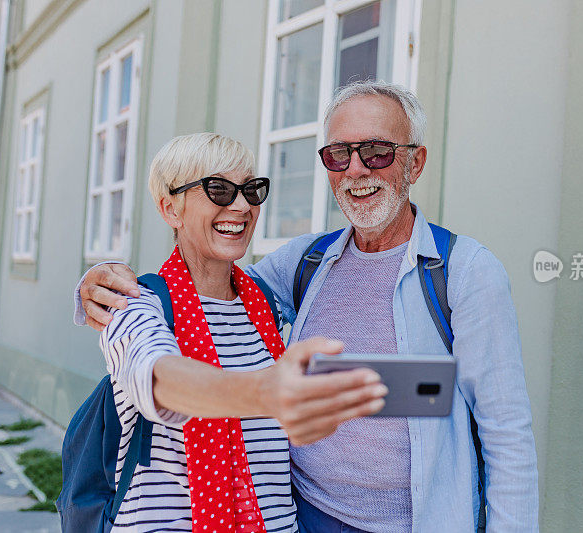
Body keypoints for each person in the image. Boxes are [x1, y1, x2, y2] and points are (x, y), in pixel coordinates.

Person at [77, 81, 538, 532]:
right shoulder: (300, 265)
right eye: (339, 154)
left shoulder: (465, 271)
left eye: (376, 152)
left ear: (414, 163)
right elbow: (162, 361)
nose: (356, 170)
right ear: (169, 209)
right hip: (309, 517)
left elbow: (506, 433)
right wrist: (101, 279)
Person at [93, 132, 387, 532]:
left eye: (251, 190)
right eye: (218, 189)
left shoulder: (264, 300)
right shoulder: (136, 305)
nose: (241, 205)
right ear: (170, 209)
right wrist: (264, 392)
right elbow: (157, 377)